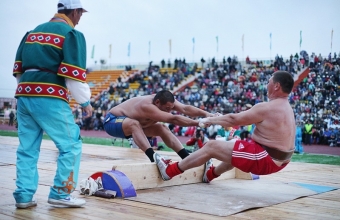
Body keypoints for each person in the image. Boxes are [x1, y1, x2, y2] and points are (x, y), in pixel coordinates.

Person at [12, 0, 92, 209]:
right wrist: (85, 102)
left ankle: (24, 196)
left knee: (27, 149)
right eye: (80, 14)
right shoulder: (70, 34)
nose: (80, 19)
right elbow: (74, 76)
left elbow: (19, 72)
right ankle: (61, 193)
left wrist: (26, 95)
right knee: (71, 145)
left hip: (24, 95)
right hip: (50, 96)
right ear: (74, 12)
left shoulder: (31, 34)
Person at [154, 71, 296, 182]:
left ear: (276, 86)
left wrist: (210, 119)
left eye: (270, 81)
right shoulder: (287, 108)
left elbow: (233, 119)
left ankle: (169, 171)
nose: (267, 84)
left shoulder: (268, 107)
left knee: (211, 146)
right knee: (235, 146)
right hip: (281, 160)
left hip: (266, 159)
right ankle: (210, 174)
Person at [103, 90, 215, 163]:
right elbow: (173, 119)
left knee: (162, 128)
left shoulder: (166, 101)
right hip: (112, 121)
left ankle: (185, 156)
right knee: (134, 124)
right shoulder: (147, 106)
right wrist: (199, 123)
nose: (169, 110)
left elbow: (185, 109)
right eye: (167, 108)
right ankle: (153, 157)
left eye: (171, 107)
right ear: (157, 102)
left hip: (134, 125)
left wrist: (206, 114)